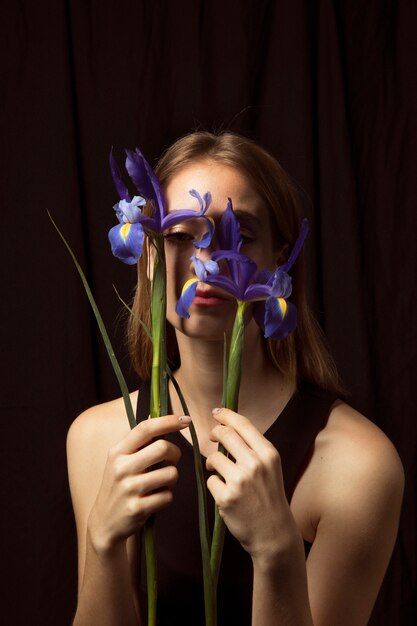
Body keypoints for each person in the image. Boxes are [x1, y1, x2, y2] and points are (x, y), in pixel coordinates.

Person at [67, 131, 404, 625]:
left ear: (278, 259)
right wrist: (102, 541)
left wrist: (276, 551)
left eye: (239, 236)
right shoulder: (97, 439)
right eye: (180, 236)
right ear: (149, 254)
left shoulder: (357, 465)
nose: (206, 264)